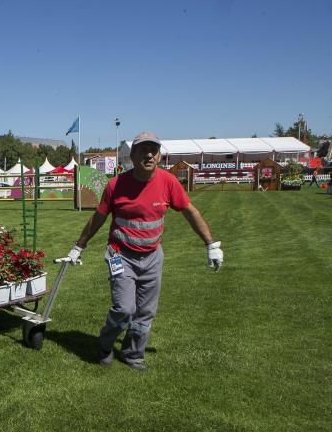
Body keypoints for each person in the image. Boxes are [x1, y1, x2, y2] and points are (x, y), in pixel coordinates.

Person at [63, 131, 223, 371]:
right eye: (143, 150)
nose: (149, 155)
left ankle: (133, 354)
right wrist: (79, 246)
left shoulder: (168, 183)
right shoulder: (116, 185)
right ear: (133, 155)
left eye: (153, 151)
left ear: (159, 155)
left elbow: (191, 212)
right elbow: (98, 218)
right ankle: (105, 344)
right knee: (124, 309)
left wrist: (211, 245)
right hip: (119, 255)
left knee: (145, 312)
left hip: (152, 257)